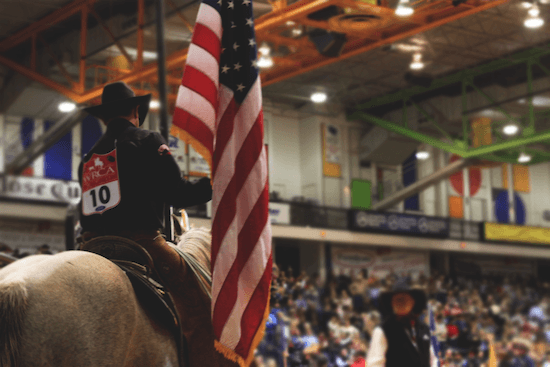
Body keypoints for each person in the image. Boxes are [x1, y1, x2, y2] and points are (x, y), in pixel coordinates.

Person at [78, 82, 217, 367]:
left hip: (91, 248)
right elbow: (177, 194)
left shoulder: (90, 156)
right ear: (136, 111)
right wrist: (215, 184)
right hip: (140, 243)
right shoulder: (148, 139)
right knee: (200, 303)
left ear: (104, 117)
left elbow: (84, 213)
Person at [366, 287, 436, 367]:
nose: (401, 303)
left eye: (404, 299)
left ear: (413, 302)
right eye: (397, 300)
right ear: (391, 303)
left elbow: (433, 359)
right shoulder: (382, 330)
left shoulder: (424, 328)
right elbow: (374, 364)